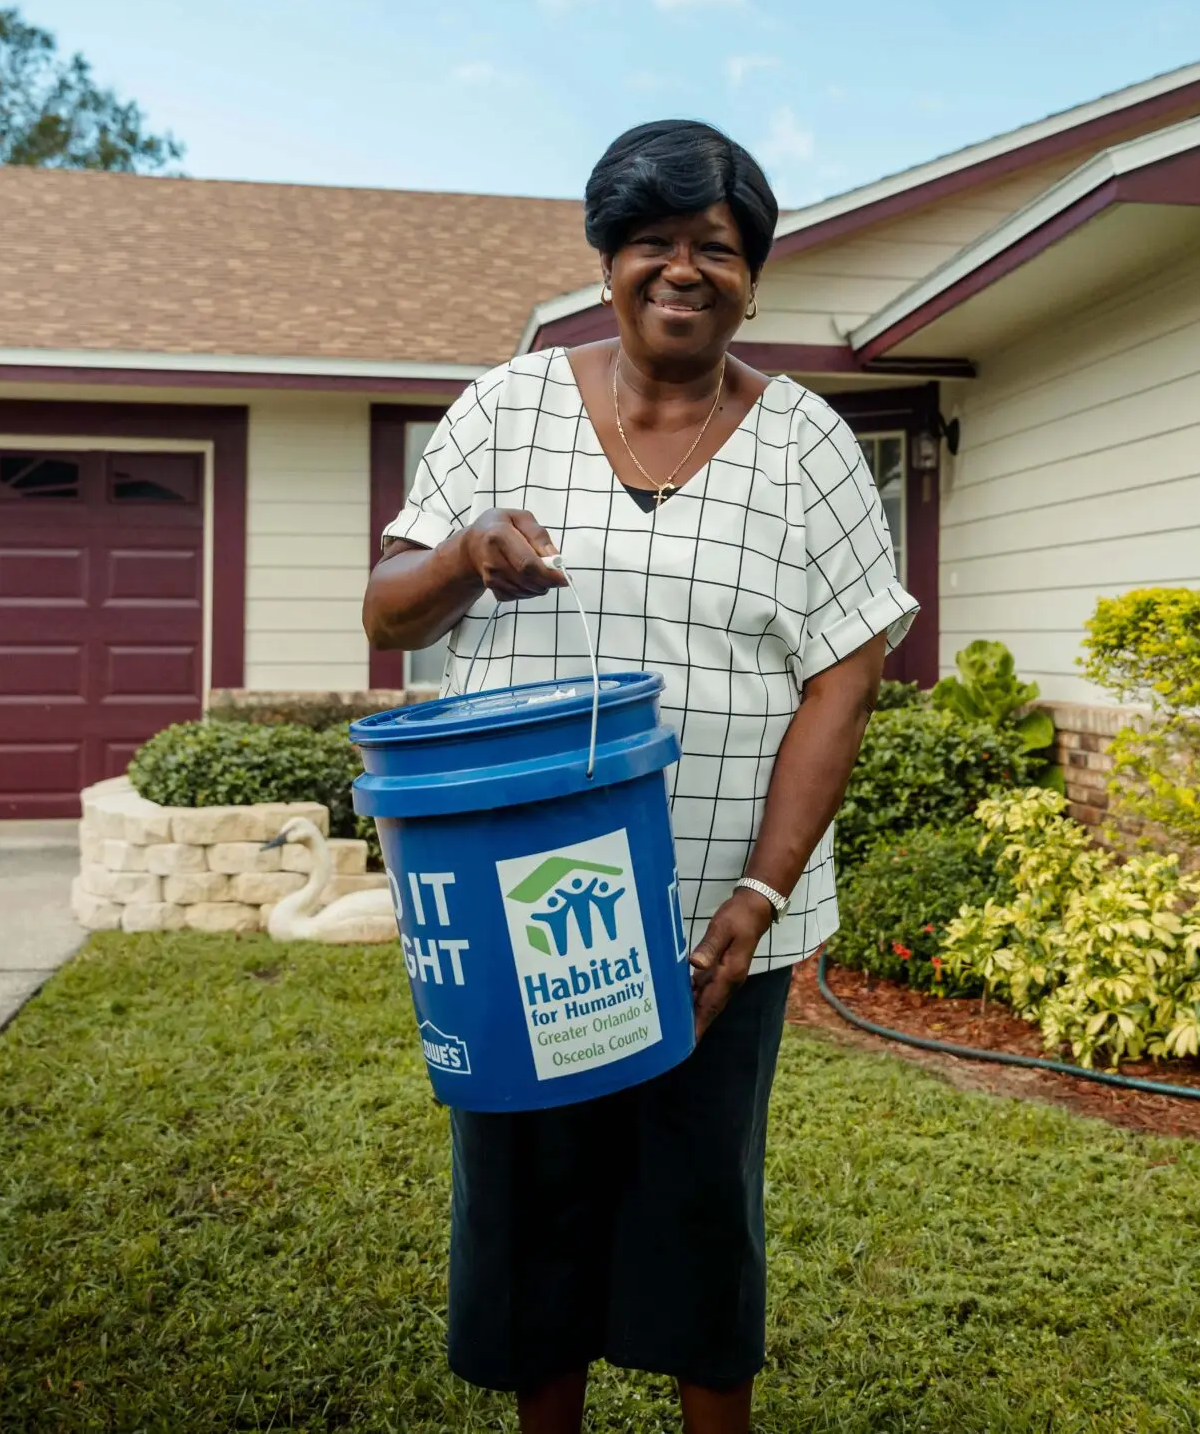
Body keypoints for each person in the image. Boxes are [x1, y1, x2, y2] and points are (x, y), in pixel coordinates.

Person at [361, 119, 917, 1434]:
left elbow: (845, 672)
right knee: (533, 1210)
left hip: (717, 921)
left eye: (714, 247)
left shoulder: (807, 445)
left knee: (698, 1207)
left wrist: (763, 895)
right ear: (608, 261)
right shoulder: (510, 405)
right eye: (652, 243)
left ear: (752, 275)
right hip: (520, 907)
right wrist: (463, 557)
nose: (683, 269)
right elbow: (389, 614)